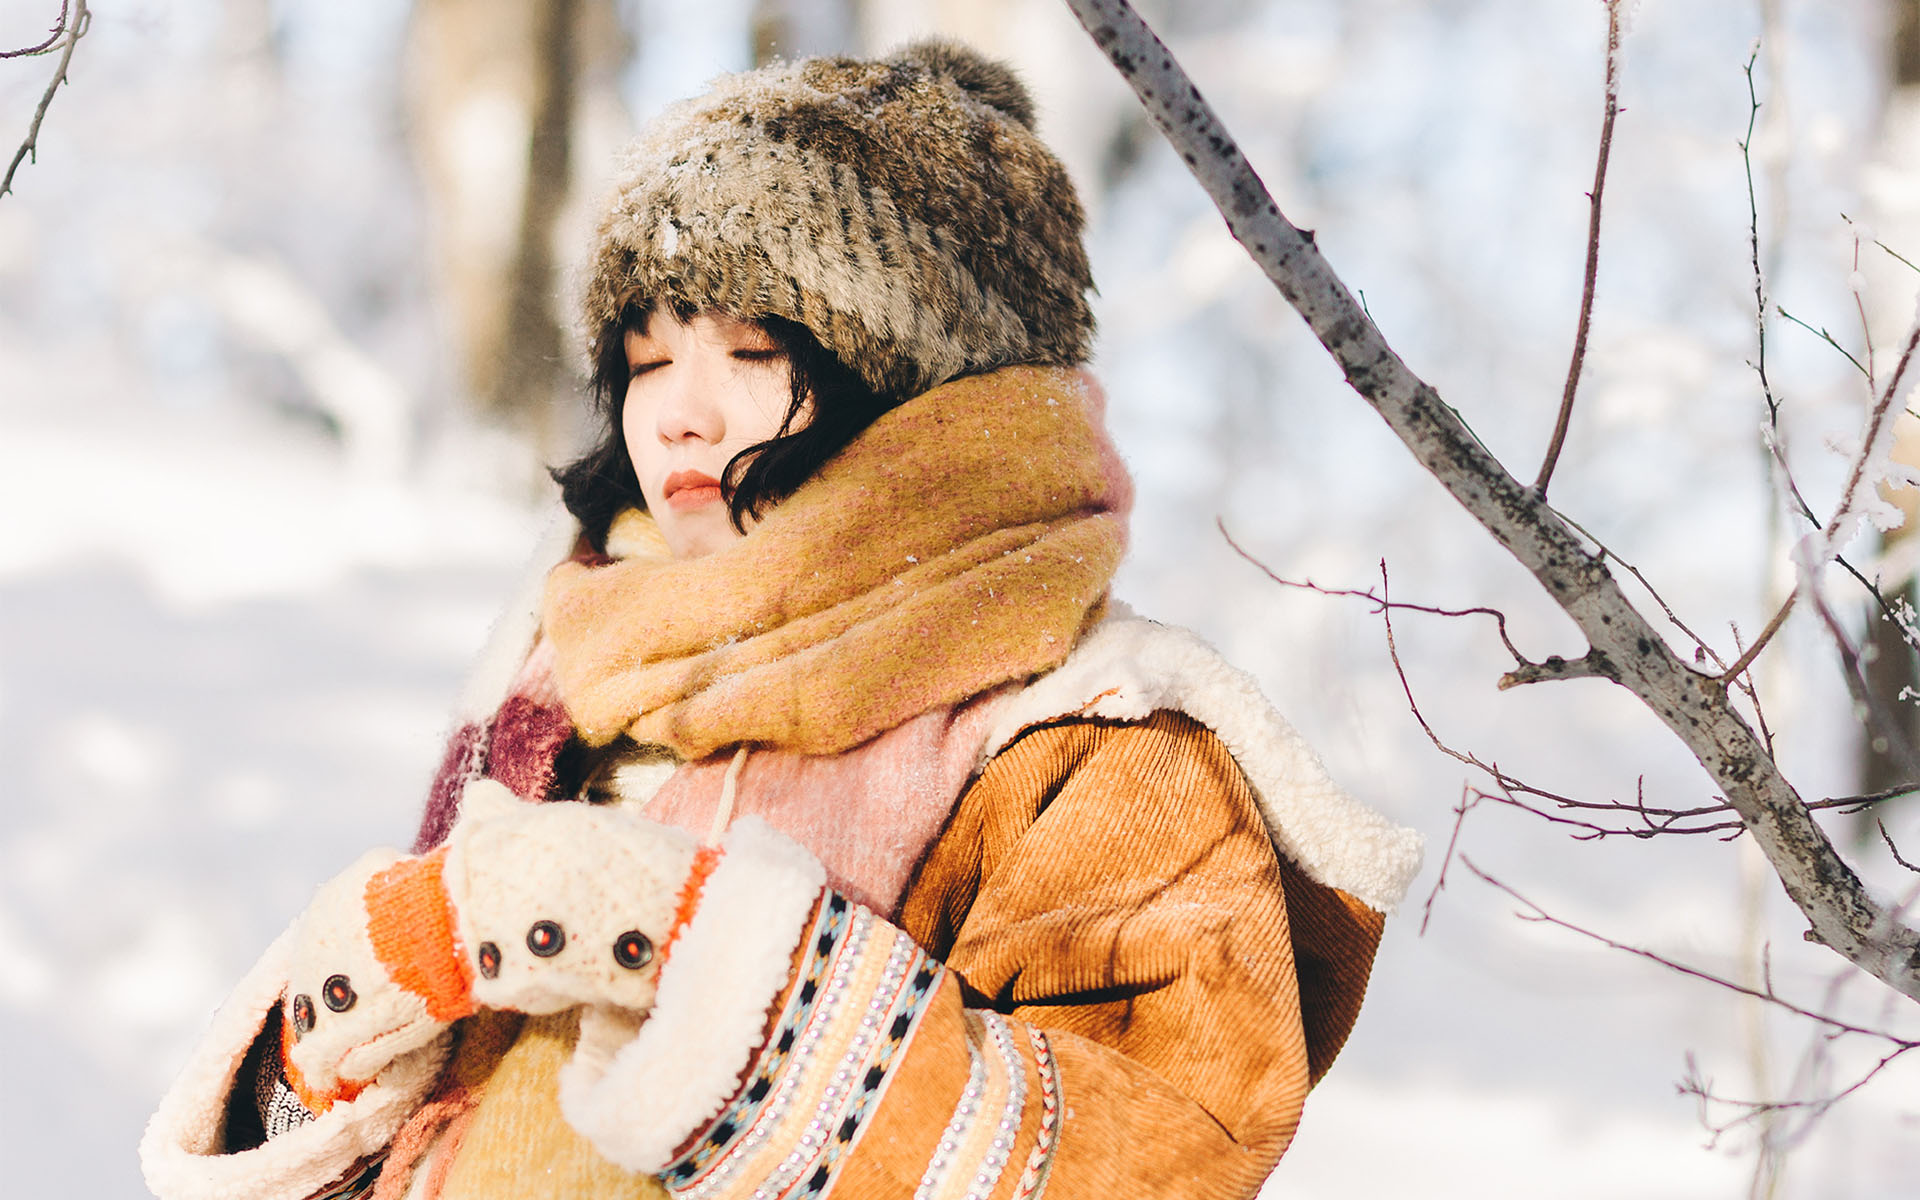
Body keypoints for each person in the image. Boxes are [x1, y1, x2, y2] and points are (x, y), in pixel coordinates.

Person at [140, 39, 1421, 1200]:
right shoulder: (563, 673)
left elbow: (1154, 1165)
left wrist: (691, 944)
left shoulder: (1094, 741)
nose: (678, 414)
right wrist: (331, 1030)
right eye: (644, 360)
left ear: (923, 382)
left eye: (751, 350)